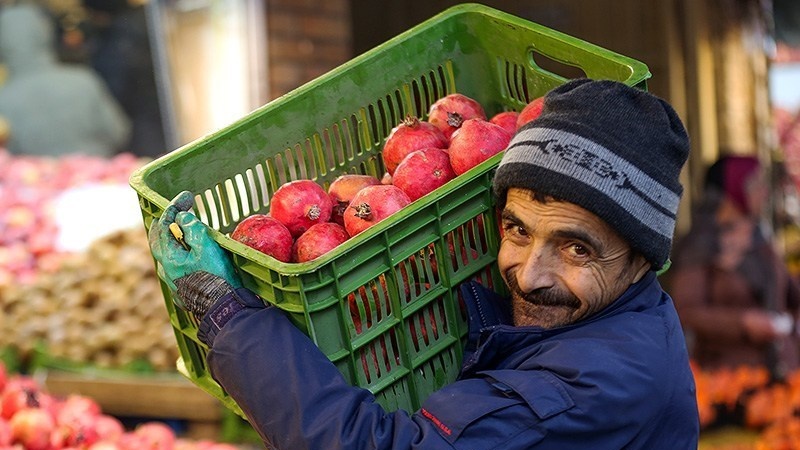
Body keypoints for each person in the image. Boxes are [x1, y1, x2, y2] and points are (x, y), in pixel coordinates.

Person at [149, 79, 700, 449]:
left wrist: (229, 316)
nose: (530, 275)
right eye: (517, 230)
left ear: (641, 258)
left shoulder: (597, 384)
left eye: (577, 249)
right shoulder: (602, 325)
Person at [669, 154, 800, 379]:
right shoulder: (702, 244)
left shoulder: (760, 239)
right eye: (755, 184)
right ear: (734, 189)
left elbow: (790, 294)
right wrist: (743, 323)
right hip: (730, 379)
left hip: (783, 371)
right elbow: (686, 311)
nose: (764, 192)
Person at [0, 3, 130, 157]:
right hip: (98, 168)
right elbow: (119, 132)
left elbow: (7, 155)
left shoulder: (4, 100)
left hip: (36, 173)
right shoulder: (83, 80)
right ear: (45, 35)